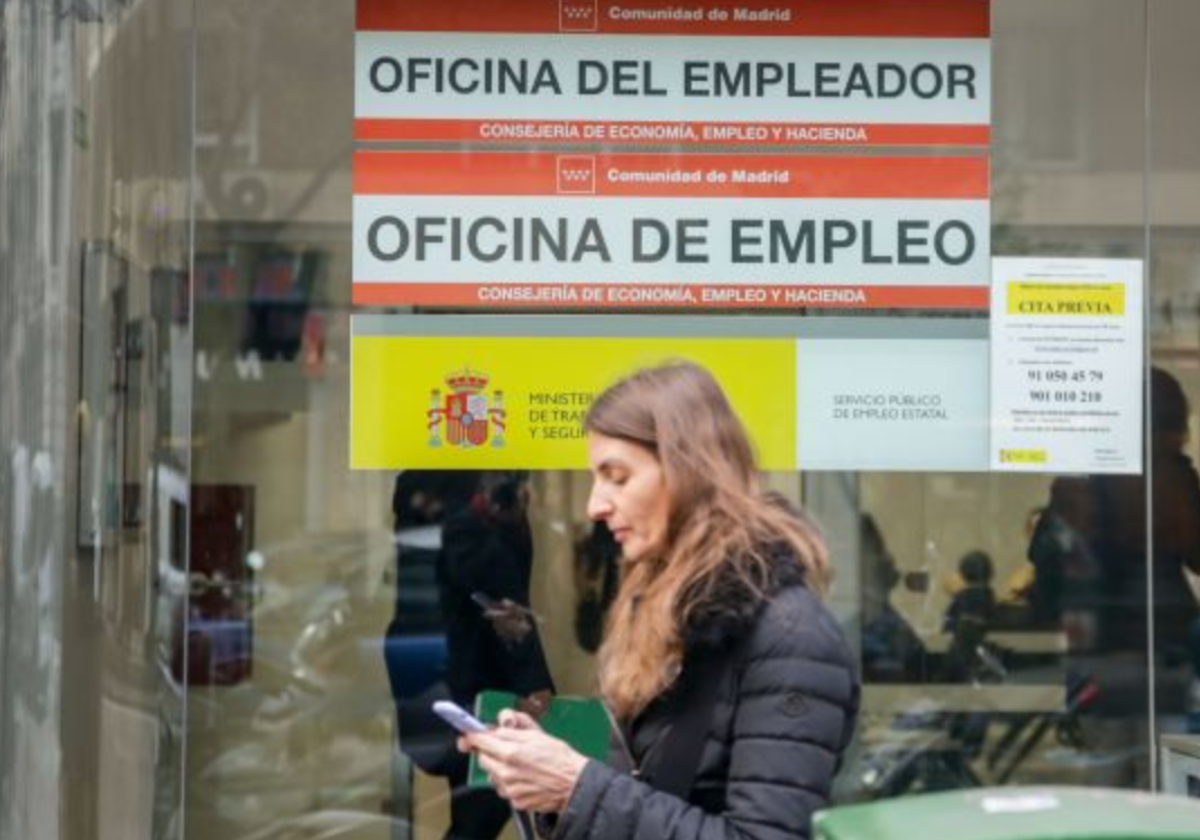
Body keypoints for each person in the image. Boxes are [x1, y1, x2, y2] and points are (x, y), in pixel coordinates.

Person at [459, 362, 860, 840]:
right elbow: (648, 787)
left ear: (688, 472)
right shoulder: (666, 607)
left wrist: (575, 786)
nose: (594, 505)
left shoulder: (790, 636)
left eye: (618, 477)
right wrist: (542, 768)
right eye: (595, 478)